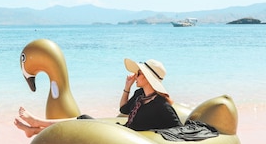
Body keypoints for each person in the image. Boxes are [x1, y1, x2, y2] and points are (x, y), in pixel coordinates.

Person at [14, 58, 182, 137]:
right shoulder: (140, 95)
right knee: (82, 123)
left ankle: (38, 124)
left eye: (138, 73)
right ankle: (36, 129)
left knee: (84, 119)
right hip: (122, 132)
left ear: (147, 77)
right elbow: (123, 109)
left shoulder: (161, 104)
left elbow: (178, 129)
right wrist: (127, 87)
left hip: (128, 139)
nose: (135, 75)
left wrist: (153, 134)